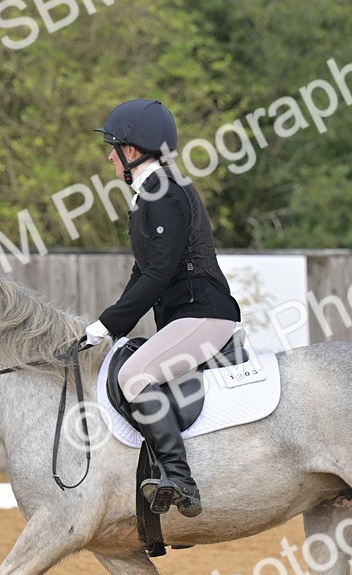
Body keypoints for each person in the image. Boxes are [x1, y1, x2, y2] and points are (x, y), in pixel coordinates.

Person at [84, 99, 241, 518]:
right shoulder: (147, 197)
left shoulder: (165, 192)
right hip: (185, 316)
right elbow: (143, 273)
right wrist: (109, 326)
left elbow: (158, 273)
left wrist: (107, 323)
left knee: (134, 376)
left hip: (203, 312)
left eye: (112, 148)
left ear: (130, 153)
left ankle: (179, 477)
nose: (108, 156)